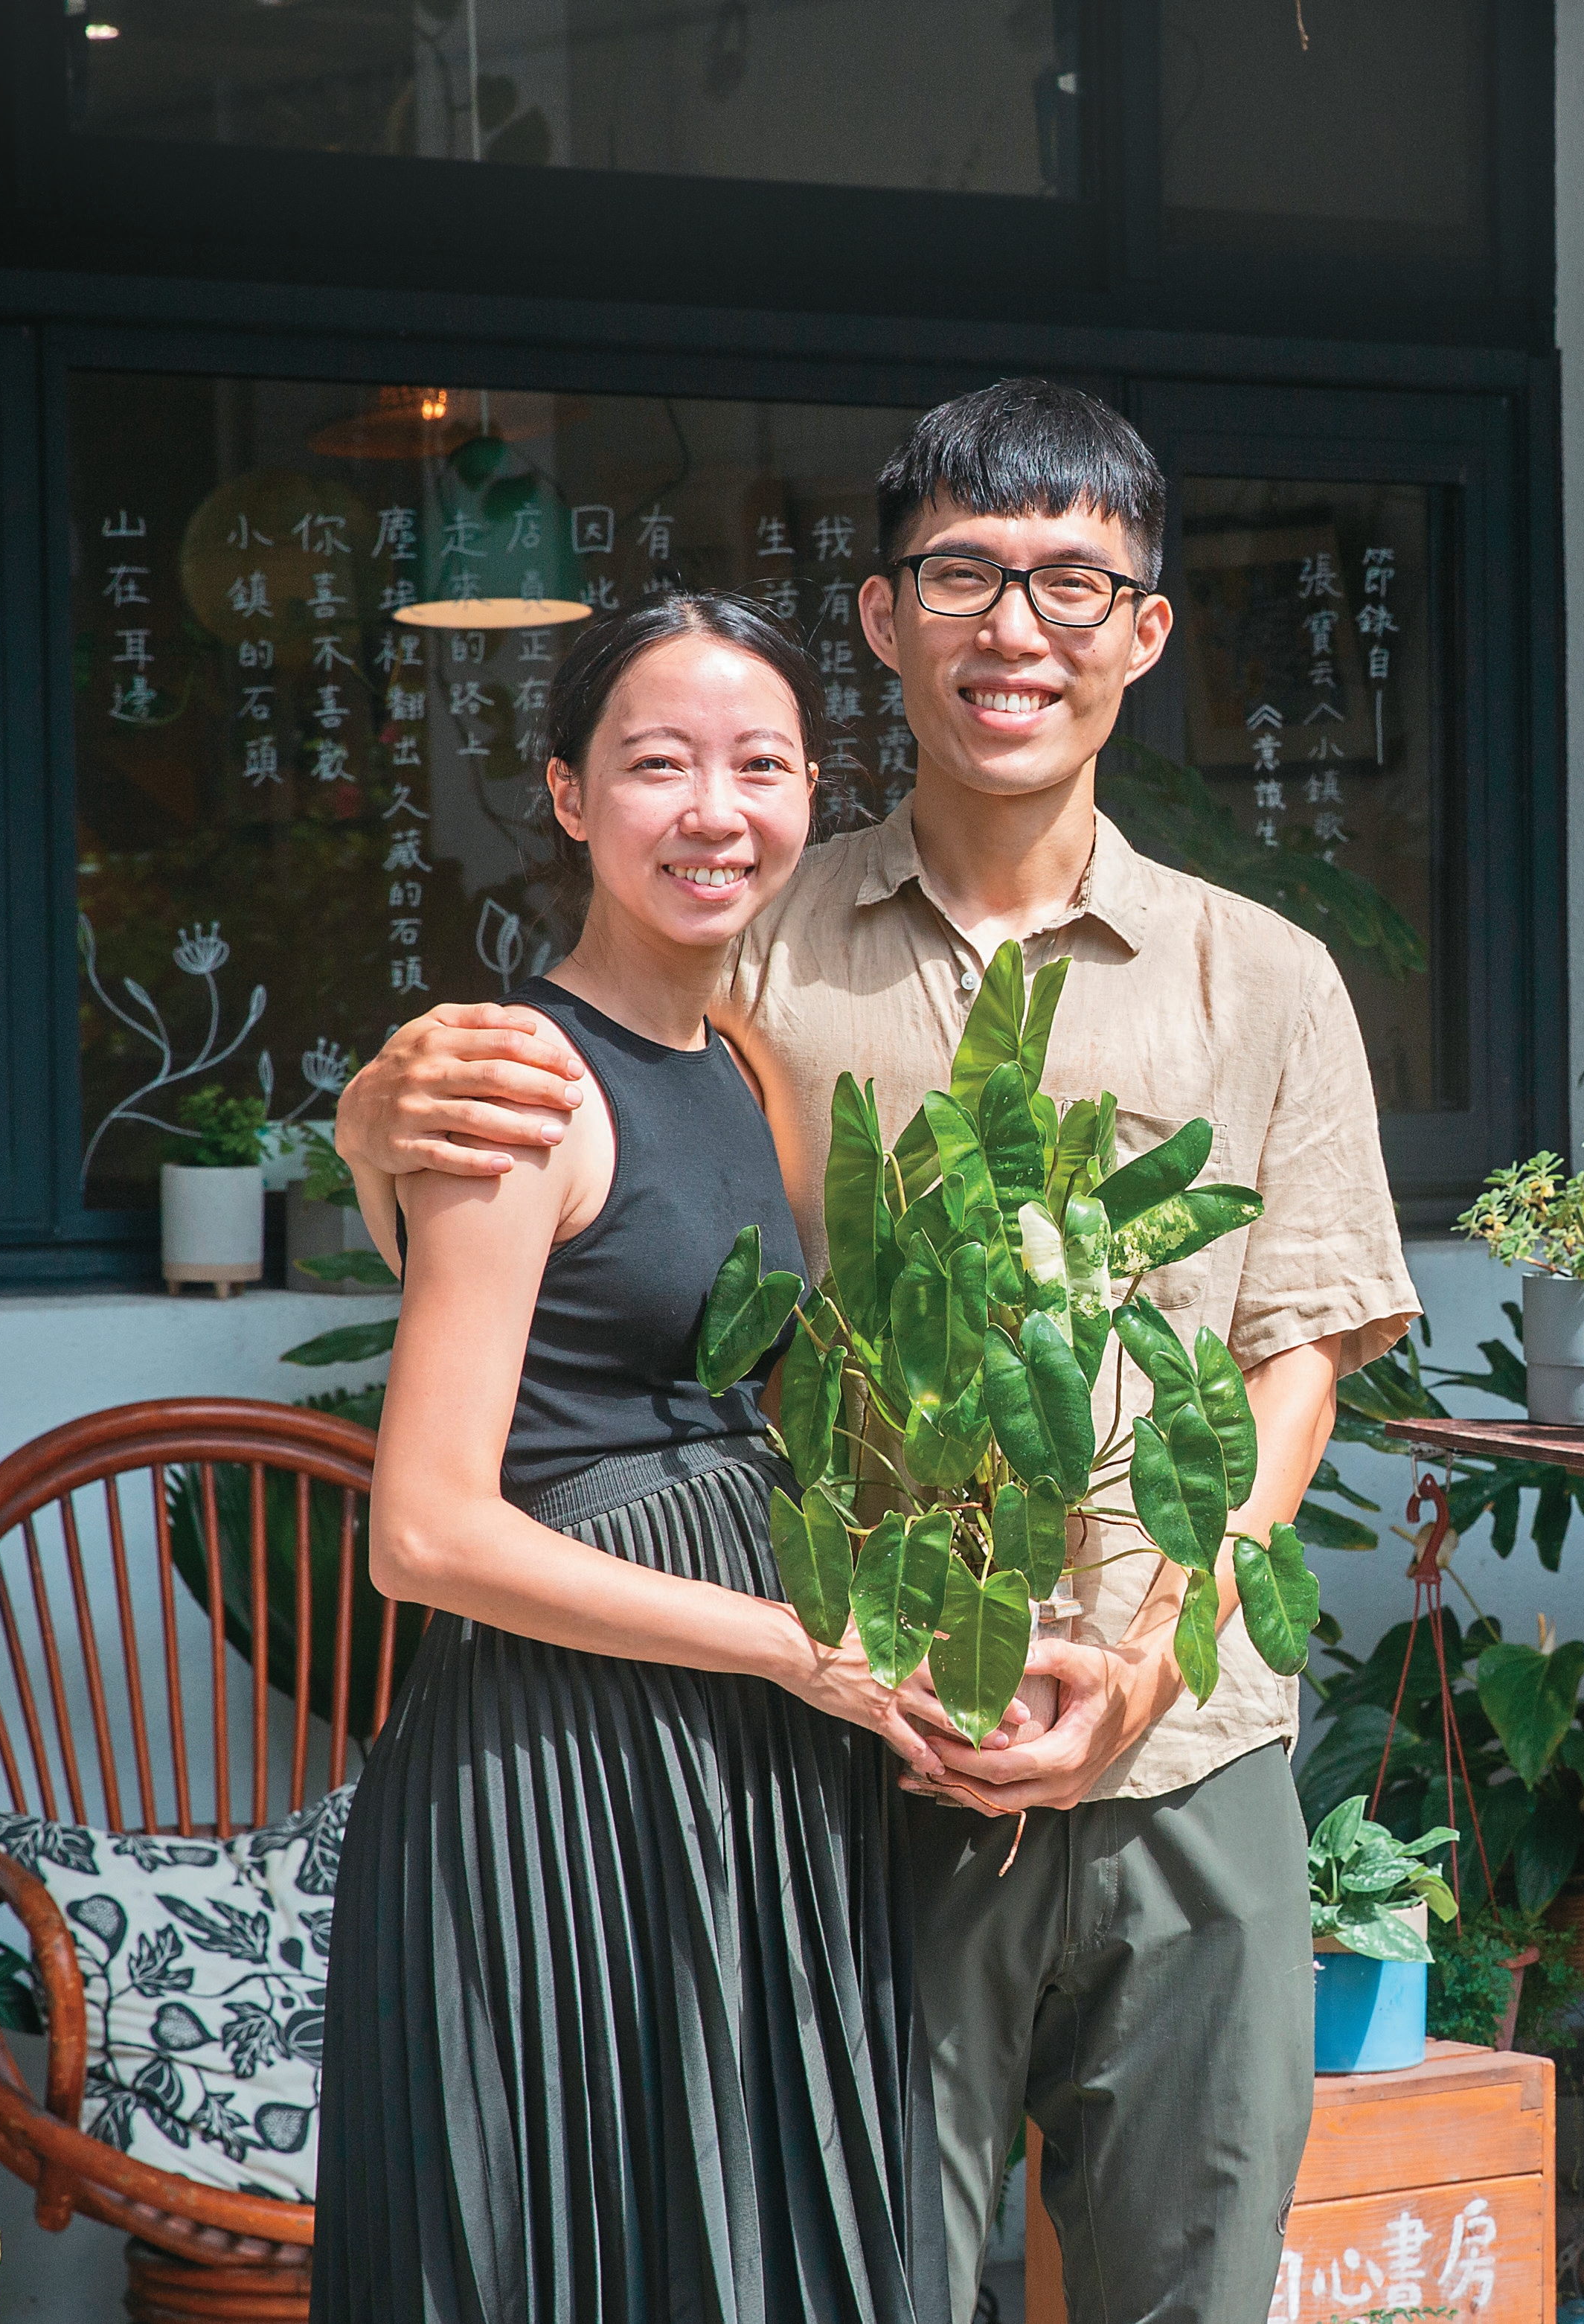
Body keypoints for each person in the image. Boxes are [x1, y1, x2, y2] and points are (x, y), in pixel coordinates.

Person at [334, 380, 1420, 2324]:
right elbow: (567, 1169)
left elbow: (1294, 1359)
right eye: (964, 577)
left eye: (1074, 585)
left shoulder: (1258, 977)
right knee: (858, 2282)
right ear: (881, 619)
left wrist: (1163, 1632)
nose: (1017, 631)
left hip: (1190, 1750)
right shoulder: (748, 941)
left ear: (1147, 630)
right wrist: (369, 1107)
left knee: (1192, 2285)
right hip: (860, 1768)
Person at [316, 592, 953, 2323]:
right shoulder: (513, 1085)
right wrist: (790, 1646)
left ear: (813, 792)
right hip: (556, 1772)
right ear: (570, 797)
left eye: (759, 764)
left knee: (738, 2242)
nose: (714, 810)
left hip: (739, 1764)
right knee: (572, 2253)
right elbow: (428, 1533)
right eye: (655, 764)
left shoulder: (749, 1064)